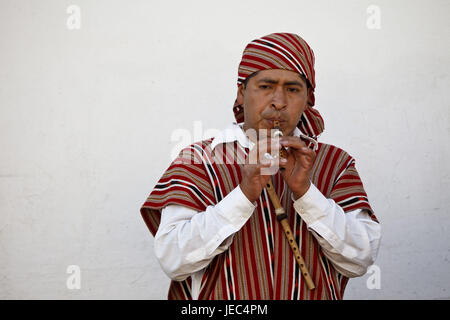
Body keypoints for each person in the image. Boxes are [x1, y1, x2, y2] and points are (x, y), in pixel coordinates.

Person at [140, 32, 381, 300]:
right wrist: (243, 194)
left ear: (308, 98)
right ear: (242, 93)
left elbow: (361, 258)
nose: (279, 102)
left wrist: (306, 193)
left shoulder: (335, 163)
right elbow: (174, 260)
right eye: (266, 86)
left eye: (292, 89)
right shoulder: (198, 159)